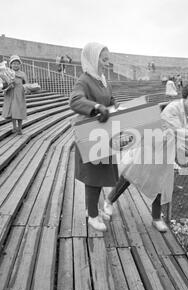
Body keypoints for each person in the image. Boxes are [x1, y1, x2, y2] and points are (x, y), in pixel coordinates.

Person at [104, 83, 188, 232]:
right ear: (185, 96)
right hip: (151, 146)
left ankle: (156, 218)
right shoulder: (172, 108)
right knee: (131, 175)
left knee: (160, 182)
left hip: (166, 153)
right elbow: (179, 131)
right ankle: (109, 201)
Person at [69, 42, 119, 232]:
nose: (107, 62)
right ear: (93, 58)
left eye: (108, 59)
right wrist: (96, 107)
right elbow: (74, 100)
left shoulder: (102, 80)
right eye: (104, 59)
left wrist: (115, 105)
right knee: (93, 176)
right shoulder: (84, 80)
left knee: (98, 175)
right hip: (90, 134)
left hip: (103, 134)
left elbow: (110, 99)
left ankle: (94, 208)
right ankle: (92, 215)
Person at [2, 55, 27, 135]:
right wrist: (5, 86)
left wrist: (27, 89)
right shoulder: (8, 73)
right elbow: (4, 83)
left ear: (20, 65)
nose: (15, 65)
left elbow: (26, 84)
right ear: (11, 65)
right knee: (12, 111)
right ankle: (14, 127)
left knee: (19, 110)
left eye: (17, 63)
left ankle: (19, 128)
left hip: (19, 93)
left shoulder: (22, 74)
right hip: (10, 93)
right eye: (14, 63)